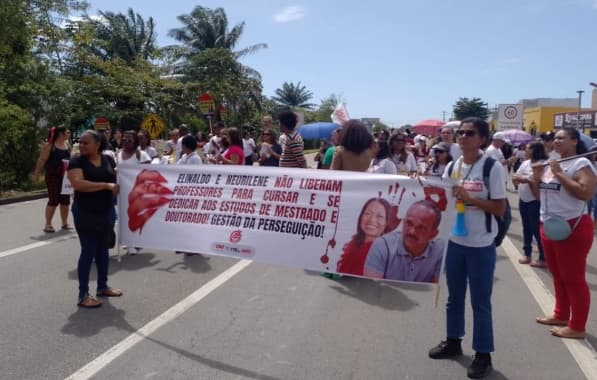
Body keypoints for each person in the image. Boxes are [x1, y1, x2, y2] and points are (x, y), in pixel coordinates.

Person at [429, 117, 507, 379]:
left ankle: (483, 354)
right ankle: (453, 341)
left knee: (480, 302)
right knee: (453, 298)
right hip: (455, 242)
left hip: (481, 244)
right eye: (459, 132)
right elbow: (443, 199)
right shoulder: (452, 166)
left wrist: (471, 199)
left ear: (482, 139)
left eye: (469, 133)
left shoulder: (492, 168)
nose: (462, 137)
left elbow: (499, 208)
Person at [531, 127, 596, 339]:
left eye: (561, 138)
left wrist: (558, 173)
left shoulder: (581, 164)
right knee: (557, 273)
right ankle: (560, 314)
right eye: (554, 138)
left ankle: (577, 326)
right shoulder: (552, 163)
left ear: (575, 141)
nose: (555, 141)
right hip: (548, 225)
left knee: (573, 278)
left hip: (573, 227)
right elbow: (539, 197)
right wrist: (537, 177)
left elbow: (584, 193)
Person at [67, 130, 122, 308]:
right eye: (80, 142)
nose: (81, 145)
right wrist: (106, 185)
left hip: (104, 212)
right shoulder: (76, 161)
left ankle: (102, 286)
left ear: (97, 144)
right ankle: (83, 294)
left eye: (86, 143)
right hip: (85, 212)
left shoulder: (108, 160)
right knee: (88, 251)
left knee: (103, 251)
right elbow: (78, 184)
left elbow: (116, 178)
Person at [364, 200, 444, 283]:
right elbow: (371, 290)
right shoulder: (382, 246)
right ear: (403, 222)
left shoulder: (440, 252)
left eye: (421, 228)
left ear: (433, 234)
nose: (412, 231)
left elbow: (437, 293)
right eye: (409, 223)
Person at [511, 141, 547, 267]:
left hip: (535, 201)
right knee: (526, 227)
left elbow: (535, 180)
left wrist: (523, 179)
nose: (525, 150)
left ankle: (543, 256)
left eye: (527, 148)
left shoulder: (542, 164)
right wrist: (524, 179)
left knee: (537, 229)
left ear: (535, 150)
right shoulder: (526, 163)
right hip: (524, 199)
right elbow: (515, 176)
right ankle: (527, 253)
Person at [336, 198, 392, 276]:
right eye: (367, 213)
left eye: (380, 216)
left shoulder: (385, 253)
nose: (372, 220)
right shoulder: (353, 245)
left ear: (386, 222)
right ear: (361, 217)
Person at [33, 126, 72, 233]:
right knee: (54, 199)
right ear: (60, 134)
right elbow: (41, 160)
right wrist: (36, 174)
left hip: (65, 176)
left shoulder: (67, 145)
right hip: (52, 176)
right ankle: (48, 224)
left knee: (65, 200)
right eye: (67, 132)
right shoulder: (50, 146)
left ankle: (64, 223)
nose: (69, 133)